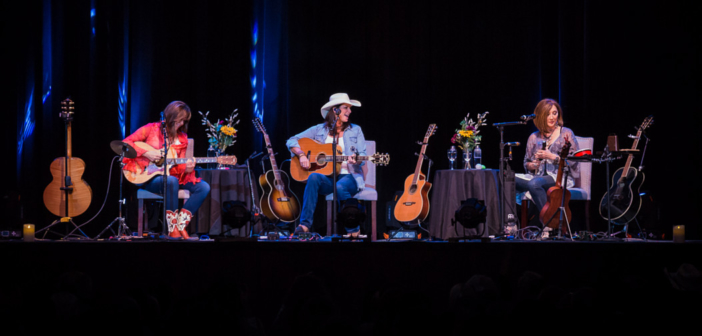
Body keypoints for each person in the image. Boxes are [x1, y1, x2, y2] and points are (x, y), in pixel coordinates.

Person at [122, 101, 211, 240]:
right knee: (171, 181)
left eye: (184, 121)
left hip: (172, 176)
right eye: (180, 120)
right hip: (149, 177)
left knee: (204, 187)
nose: (181, 124)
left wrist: (187, 167)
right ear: (171, 116)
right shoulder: (151, 129)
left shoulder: (182, 138)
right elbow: (126, 143)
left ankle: (180, 226)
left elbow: (178, 165)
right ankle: (172, 228)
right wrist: (146, 153)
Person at [286, 93, 367, 237]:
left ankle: (353, 230)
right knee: (313, 177)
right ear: (334, 110)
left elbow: (363, 155)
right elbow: (292, 140)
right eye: (345, 108)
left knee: (340, 186)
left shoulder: (356, 130)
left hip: (350, 176)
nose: (350, 111)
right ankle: (304, 225)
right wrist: (302, 155)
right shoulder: (319, 130)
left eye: (350, 108)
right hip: (329, 177)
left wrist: (357, 159)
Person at [516, 98, 578, 217]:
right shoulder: (534, 137)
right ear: (540, 116)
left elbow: (573, 162)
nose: (551, 117)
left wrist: (552, 157)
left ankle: (550, 221)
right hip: (537, 176)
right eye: (547, 114)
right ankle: (511, 222)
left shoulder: (566, 133)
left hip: (559, 177)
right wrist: (534, 165)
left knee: (534, 184)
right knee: (506, 179)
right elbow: (526, 163)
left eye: (554, 113)